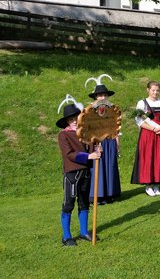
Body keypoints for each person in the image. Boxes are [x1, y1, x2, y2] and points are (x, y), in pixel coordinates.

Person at [57, 98, 102, 246]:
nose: (75, 121)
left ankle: (83, 232)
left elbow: (91, 146)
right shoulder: (63, 135)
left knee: (84, 202)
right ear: (67, 122)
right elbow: (68, 154)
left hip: (86, 172)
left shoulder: (85, 133)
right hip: (72, 173)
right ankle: (66, 236)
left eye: (76, 118)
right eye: (71, 119)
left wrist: (96, 149)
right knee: (69, 203)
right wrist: (89, 156)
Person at [131, 80, 160, 197]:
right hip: (148, 134)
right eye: (153, 90)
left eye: (157, 90)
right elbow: (139, 121)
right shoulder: (142, 103)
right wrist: (153, 129)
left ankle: (157, 184)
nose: (155, 92)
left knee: (159, 158)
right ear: (148, 90)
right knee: (148, 158)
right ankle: (148, 185)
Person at [87, 81, 121, 204]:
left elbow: (116, 128)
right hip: (96, 142)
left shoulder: (112, 110)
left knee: (110, 166)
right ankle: (98, 195)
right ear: (96, 97)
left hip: (110, 141)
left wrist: (117, 143)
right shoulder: (90, 111)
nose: (103, 98)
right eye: (100, 95)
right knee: (98, 167)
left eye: (105, 95)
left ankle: (110, 193)